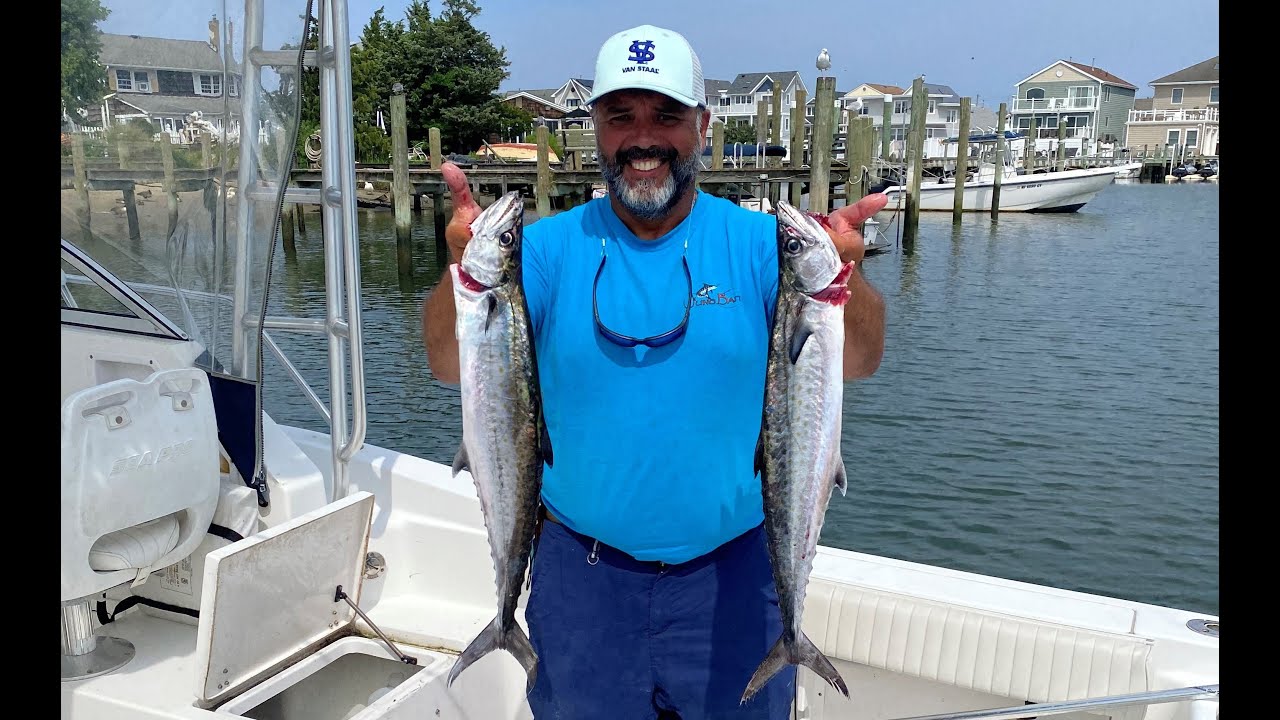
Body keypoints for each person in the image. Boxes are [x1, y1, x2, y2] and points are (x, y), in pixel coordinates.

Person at [422, 23, 887, 719]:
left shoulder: (767, 245)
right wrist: (461, 272)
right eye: (621, 117)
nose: (644, 138)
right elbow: (446, 364)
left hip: (733, 580)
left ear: (702, 126)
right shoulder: (543, 249)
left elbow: (858, 359)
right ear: (595, 131)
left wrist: (846, 273)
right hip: (581, 585)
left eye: (666, 115)